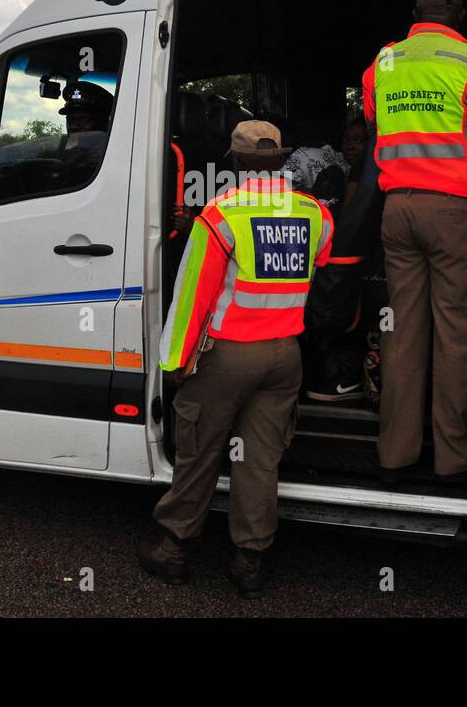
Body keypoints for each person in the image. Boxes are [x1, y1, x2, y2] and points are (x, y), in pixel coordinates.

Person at [138, 120, 333, 598]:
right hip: (286, 356)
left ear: (239, 162)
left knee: (200, 451)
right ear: (282, 158)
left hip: (227, 356)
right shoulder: (316, 214)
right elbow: (320, 267)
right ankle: (250, 561)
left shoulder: (220, 214)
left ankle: (175, 551)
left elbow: (192, 297)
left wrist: (174, 362)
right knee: (261, 460)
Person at [361, 0, 467, 482]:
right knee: (459, 334)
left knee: (403, 332)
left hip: (396, 209)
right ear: (460, 15)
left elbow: (374, 122)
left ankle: (396, 451)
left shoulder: (382, 63)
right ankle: (453, 455)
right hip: (456, 213)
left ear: (416, 13)